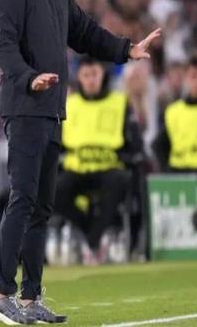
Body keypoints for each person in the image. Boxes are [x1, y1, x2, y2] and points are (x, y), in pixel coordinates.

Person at [0, 0, 160, 326]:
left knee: (41, 207)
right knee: (23, 199)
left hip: (50, 111)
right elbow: (2, 45)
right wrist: (29, 78)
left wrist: (126, 49)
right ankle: (0, 293)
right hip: (25, 108)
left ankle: (30, 297)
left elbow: (84, 33)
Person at [55, 56, 143, 264]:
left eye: (94, 74)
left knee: (120, 181)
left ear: (103, 74)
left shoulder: (119, 102)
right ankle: (91, 232)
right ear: (79, 77)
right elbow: (57, 143)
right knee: (52, 189)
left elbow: (135, 142)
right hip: (77, 169)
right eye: (86, 75)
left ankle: (94, 241)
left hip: (108, 168)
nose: (91, 80)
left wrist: (131, 157)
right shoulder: (69, 105)